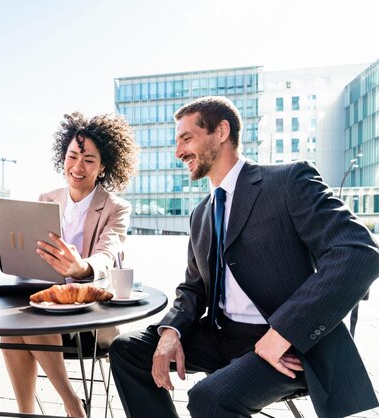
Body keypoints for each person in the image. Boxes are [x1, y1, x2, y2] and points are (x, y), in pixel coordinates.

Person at [109, 96, 379, 418]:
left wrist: (283, 334)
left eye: (186, 139)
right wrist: (172, 331)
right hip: (223, 335)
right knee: (127, 350)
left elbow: (358, 252)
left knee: (208, 398)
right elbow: (194, 288)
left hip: (288, 344)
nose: (178, 152)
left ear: (221, 131)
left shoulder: (287, 182)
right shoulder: (201, 214)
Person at [1, 112, 139, 417]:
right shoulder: (47, 198)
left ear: (103, 166)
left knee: (32, 319)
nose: (78, 167)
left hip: (90, 315)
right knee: (12, 326)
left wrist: (81, 268)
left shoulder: (116, 207)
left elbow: (108, 252)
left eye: (89, 159)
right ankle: (27, 413)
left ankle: (72, 405)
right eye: (73, 156)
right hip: (48, 302)